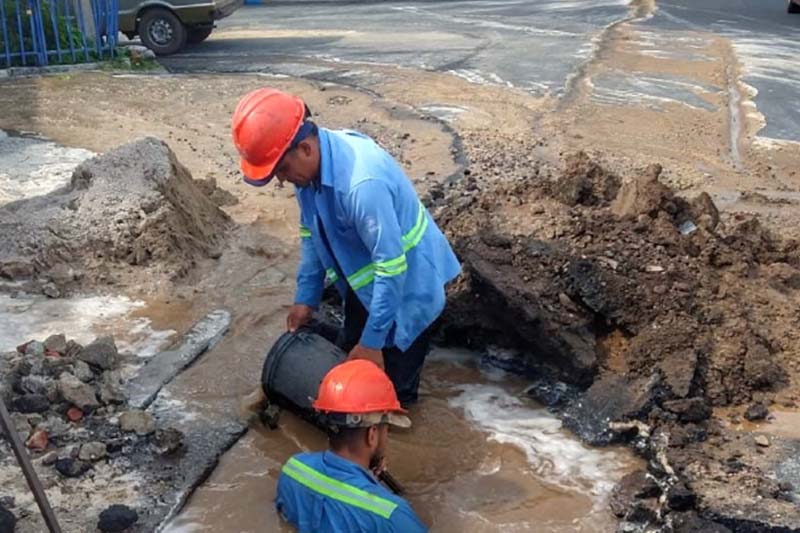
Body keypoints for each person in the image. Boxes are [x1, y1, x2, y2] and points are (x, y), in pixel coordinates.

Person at [231, 88, 460, 406]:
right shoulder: (308, 174)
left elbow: (392, 267)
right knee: (350, 359)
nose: (281, 180)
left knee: (392, 395)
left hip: (410, 286)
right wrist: (306, 298)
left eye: (281, 170)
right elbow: (311, 236)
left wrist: (373, 343)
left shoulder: (361, 185)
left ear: (306, 148)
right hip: (363, 280)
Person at [274, 359, 428, 532]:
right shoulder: (392, 515)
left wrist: (367, 481)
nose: (387, 437)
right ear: (372, 435)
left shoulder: (293, 469)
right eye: (387, 429)